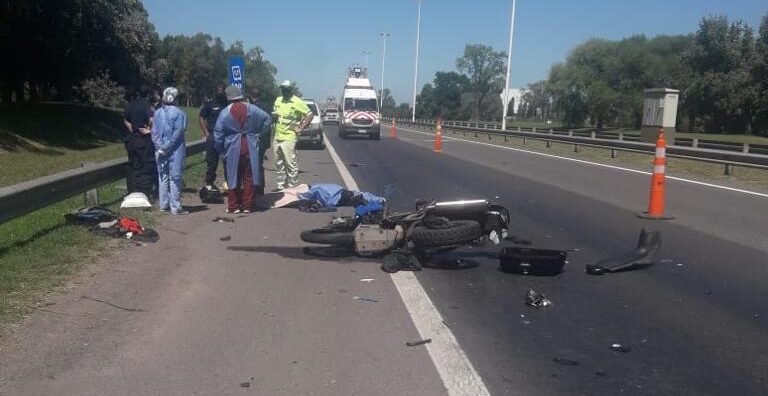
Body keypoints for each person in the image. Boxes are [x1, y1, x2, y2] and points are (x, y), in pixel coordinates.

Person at [213, 85, 272, 213]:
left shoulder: (225, 112)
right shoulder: (252, 108)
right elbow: (267, 119)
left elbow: (218, 133)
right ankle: (247, 205)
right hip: (250, 146)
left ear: (228, 97)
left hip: (232, 147)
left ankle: (233, 206)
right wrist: (259, 134)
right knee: (248, 177)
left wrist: (221, 149)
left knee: (233, 176)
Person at [151, 87, 189, 215]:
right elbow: (177, 133)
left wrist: (159, 146)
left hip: (160, 149)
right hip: (175, 150)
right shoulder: (180, 114)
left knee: (163, 177)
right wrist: (167, 146)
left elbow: (154, 132)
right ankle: (176, 207)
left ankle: (163, 204)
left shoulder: (157, 113)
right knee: (175, 177)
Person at [272, 80, 313, 191]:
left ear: (290, 90)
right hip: (277, 136)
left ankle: (292, 187)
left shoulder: (297, 102)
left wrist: (301, 127)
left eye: (286, 89)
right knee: (279, 163)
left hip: (289, 137)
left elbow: (309, 114)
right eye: (282, 89)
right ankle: (281, 187)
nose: (284, 91)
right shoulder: (278, 100)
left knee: (290, 163)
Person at [123, 87, 157, 198]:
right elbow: (151, 119)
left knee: (133, 166)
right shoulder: (147, 105)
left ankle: (132, 191)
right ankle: (144, 193)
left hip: (132, 140)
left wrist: (133, 129)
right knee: (145, 166)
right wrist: (150, 129)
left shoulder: (131, 105)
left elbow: (125, 119)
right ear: (148, 95)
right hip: (144, 140)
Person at [199, 85, 228, 191]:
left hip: (226, 137)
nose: (220, 93)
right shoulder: (210, 104)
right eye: (219, 91)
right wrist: (206, 133)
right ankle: (209, 183)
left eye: (222, 91)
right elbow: (201, 117)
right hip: (213, 135)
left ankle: (228, 184)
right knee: (212, 162)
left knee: (227, 162)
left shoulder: (228, 104)